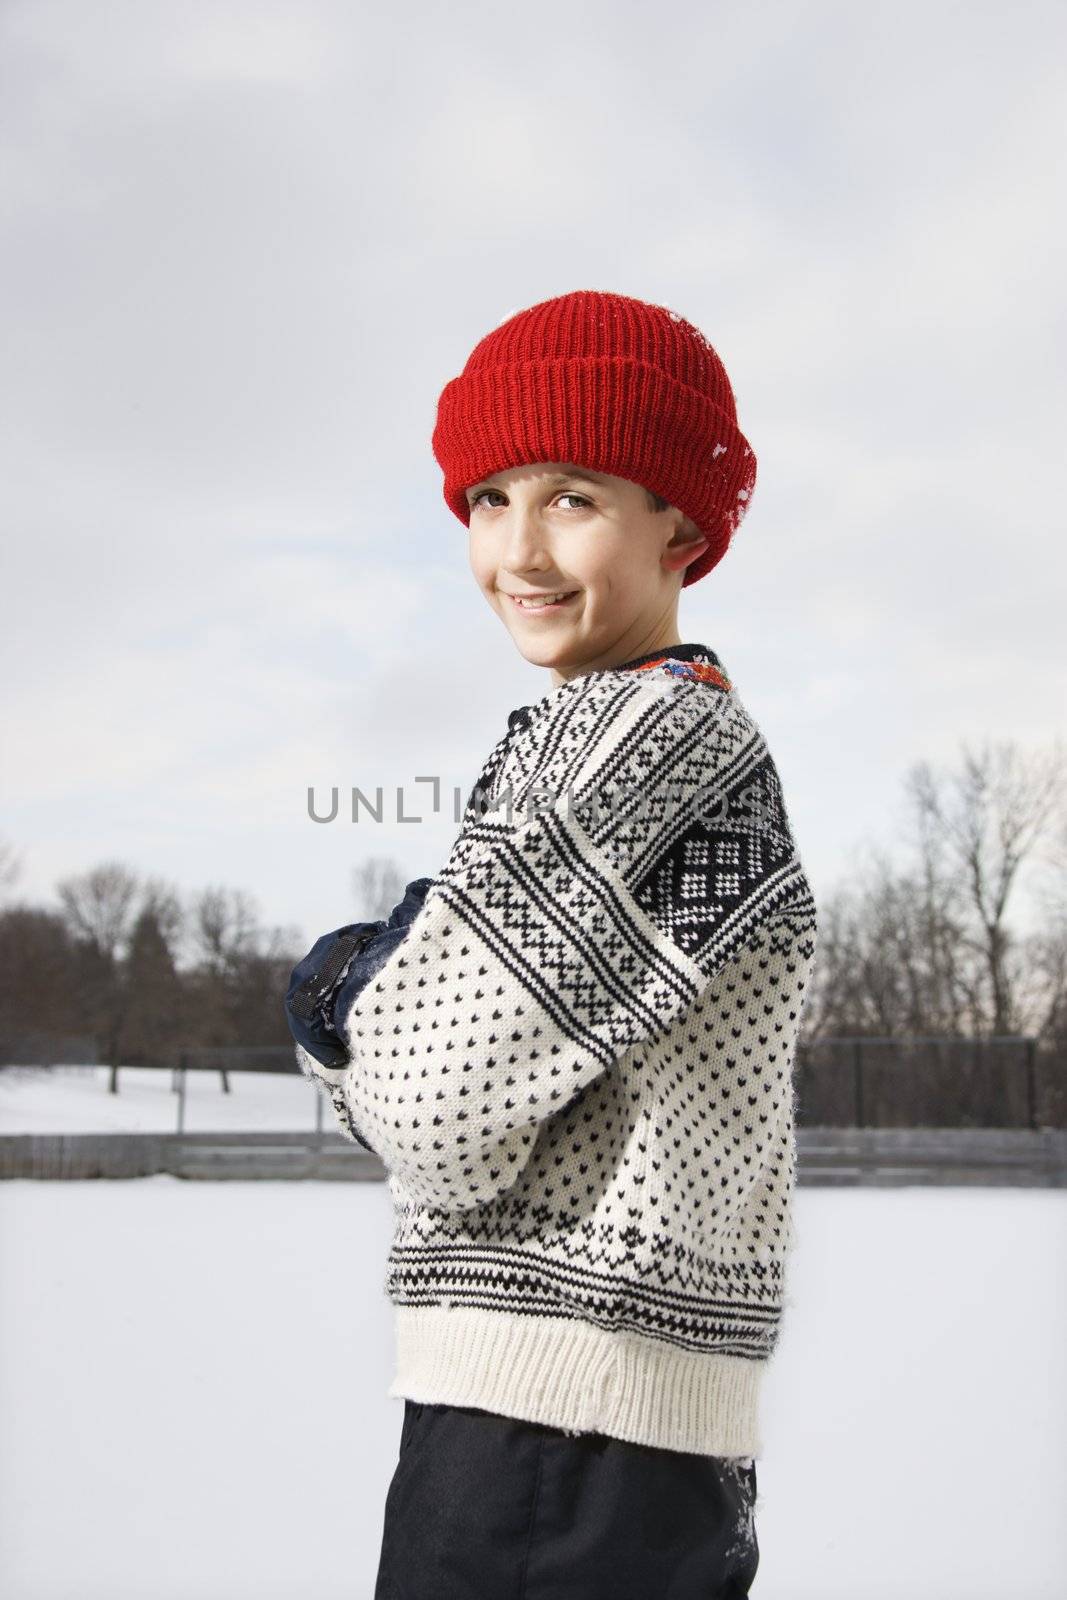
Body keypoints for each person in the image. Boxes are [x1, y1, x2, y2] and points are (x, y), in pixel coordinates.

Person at [285, 289, 818, 1599]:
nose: (518, 548)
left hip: (559, 1429)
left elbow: (428, 1111)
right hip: (596, 1432)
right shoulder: (638, 732)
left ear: (681, 520)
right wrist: (397, 998)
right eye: (487, 499)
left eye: (574, 496)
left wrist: (342, 992)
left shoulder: (643, 742)